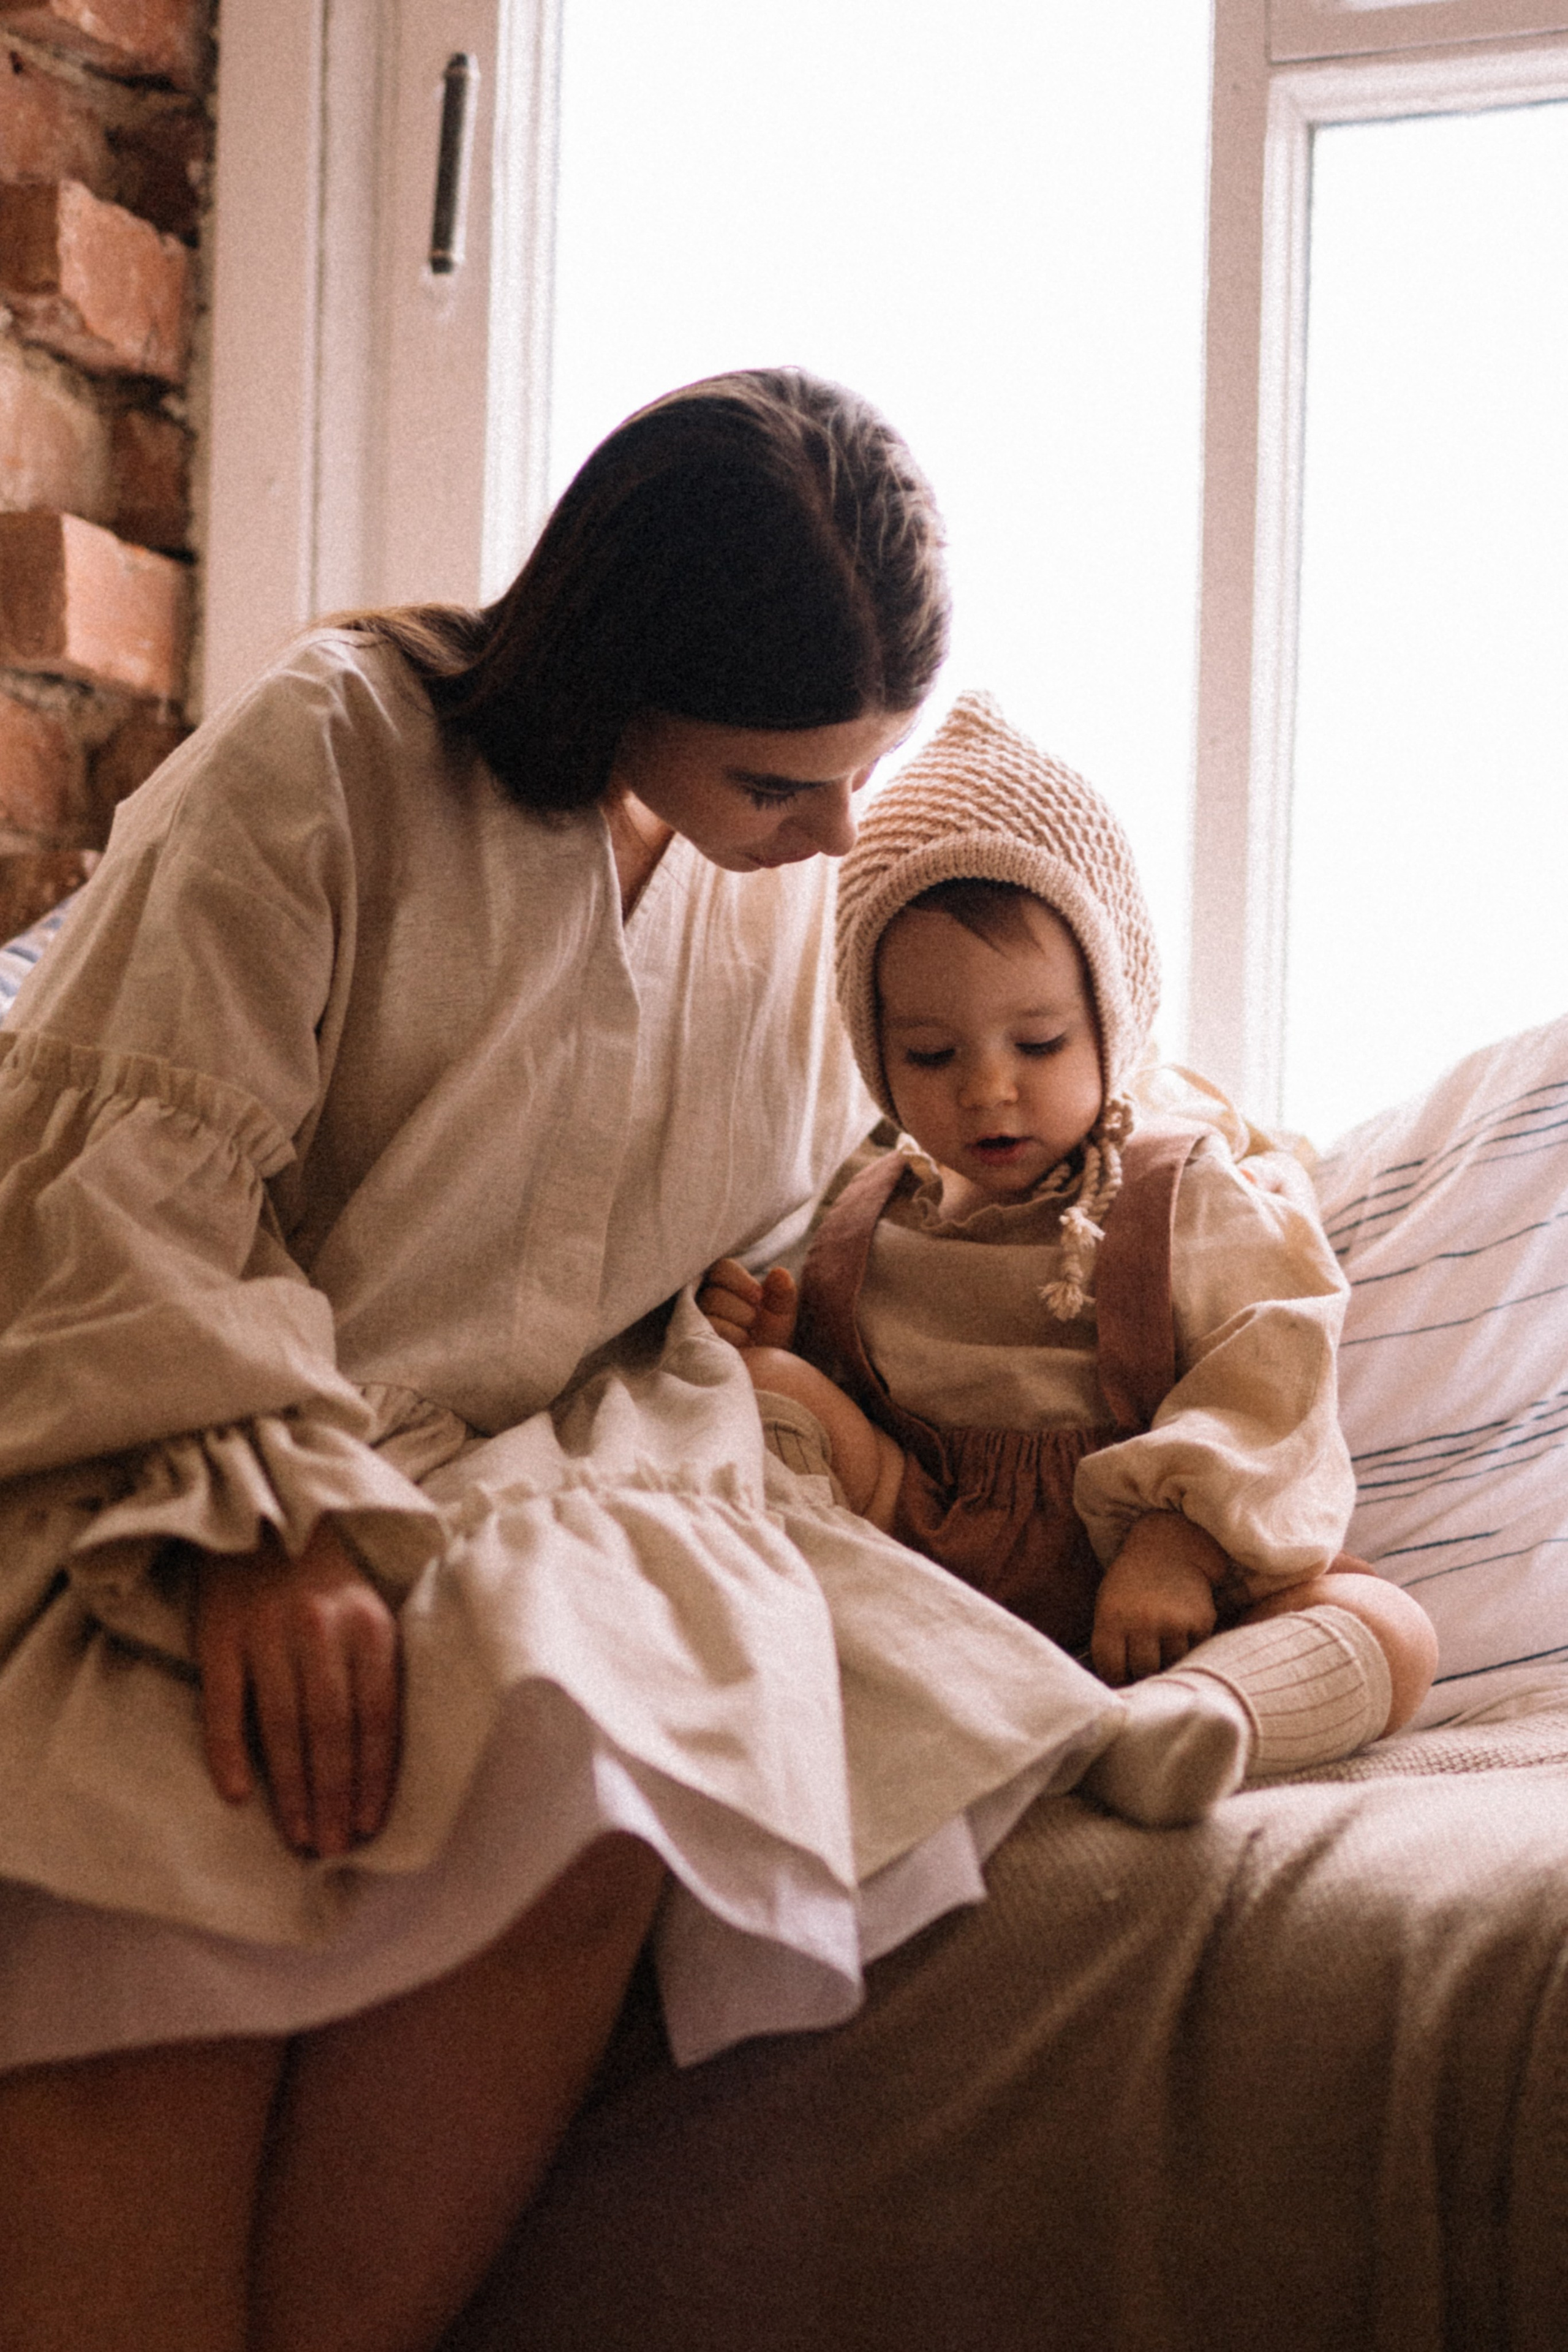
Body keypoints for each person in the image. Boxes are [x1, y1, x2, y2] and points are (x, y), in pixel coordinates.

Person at [0, 373, 1164, 2352]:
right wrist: (260, 1519)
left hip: (547, 1477)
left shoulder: (782, 907)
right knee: (166, 1871)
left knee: (618, 1760)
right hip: (186, 1435)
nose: (835, 837)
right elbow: (113, 1195)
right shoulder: (335, 759)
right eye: (784, 782)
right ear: (629, 682)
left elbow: (832, 1191)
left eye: (856, 776)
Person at [699, 692, 1438, 1819]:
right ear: (875, 1052)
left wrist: (1181, 1543)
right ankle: (916, 1708)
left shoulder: (1181, 1193)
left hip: (1155, 1586)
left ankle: (1189, 1722)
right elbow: (839, 1416)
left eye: (1038, 1043)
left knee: (1393, 1630)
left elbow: (1271, 1375)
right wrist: (766, 1338)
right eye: (932, 1052)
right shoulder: (863, 1212)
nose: (989, 1088)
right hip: (927, 1565)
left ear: (1113, 1016)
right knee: (755, 1395)